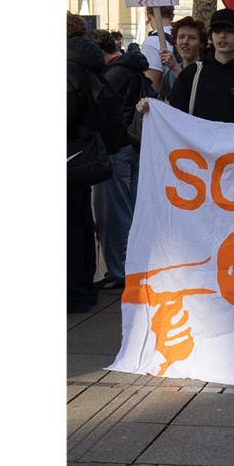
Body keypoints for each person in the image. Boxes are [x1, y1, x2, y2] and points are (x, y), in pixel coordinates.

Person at [145, 9, 234, 123]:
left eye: (229, 31)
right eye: (217, 31)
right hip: (197, 149)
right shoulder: (192, 74)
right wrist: (149, 108)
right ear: (211, 35)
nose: (222, 36)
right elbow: (173, 117)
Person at [93, 31, 150, 290]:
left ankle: (121, 271)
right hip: (132, 146)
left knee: (116, 213)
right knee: (128, 209)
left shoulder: (113, 75)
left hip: (118, 147)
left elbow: (107, 113)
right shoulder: (131, 69)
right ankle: (128, 268)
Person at [66, 30, 108, 313]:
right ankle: (84, 286)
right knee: (80, 223)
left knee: (71, 227)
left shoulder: (67, 72)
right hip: (84, 157)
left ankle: (75, 291)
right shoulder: (91, 71)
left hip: (70, 154)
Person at [159, 16, 207, 101]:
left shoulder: (208, 71)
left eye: (192, 38)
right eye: (181, 37)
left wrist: (176, 69)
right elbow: (162, 103)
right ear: (175, 42)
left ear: (201, 43)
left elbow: (197, 97)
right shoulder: (170, 74)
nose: (185, 42)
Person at [141, 5, 175, 94]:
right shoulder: (183, 38)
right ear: (172, 16)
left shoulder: (151, 42)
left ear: (148, 16)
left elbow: (152, 85)